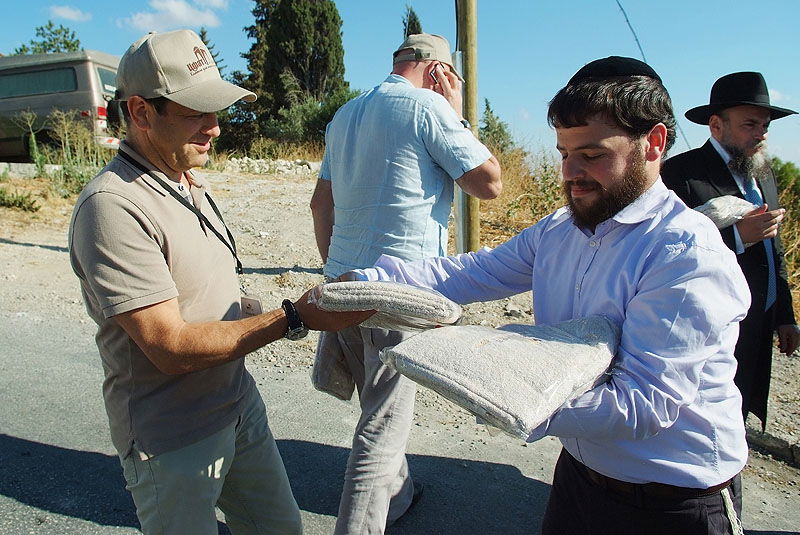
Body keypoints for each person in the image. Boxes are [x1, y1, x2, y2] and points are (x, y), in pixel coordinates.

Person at [349, 57, 750, 534]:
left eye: (593, 155)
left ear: (654, 143)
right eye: (564, 154)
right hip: (579, 480)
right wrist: (362, 282)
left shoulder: (684, 253)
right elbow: (473, 272)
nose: (572, 172)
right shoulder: (560, 230)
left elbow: (642, 404)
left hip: (673, 503)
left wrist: (503, 391)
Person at [68, 29, 368, 535]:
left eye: (217, 110)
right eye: (196, 112)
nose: (215, 128)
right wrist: (294, 316)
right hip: (173, 438)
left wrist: (275, 305)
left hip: (238, 408)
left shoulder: (187, 180)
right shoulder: (113, 207)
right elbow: (170, 347)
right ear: (141, 112)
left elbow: (203, 290)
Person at [310, 33, 501, 533]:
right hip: (398, 290)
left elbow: (320, 204)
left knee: (377, 405)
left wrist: (336, 271)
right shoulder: (429, 108)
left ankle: (398, 498)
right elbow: (489, 183)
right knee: (384, 426)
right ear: (439, 71)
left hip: (345, 283)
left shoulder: (345, 114)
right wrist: (456, 111)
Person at [662, 72, 800, 428]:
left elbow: (775, 250)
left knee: (737, 416)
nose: (761, 134)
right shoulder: (681, 174)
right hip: (707, 330)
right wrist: (736, 237)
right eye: (750, 124)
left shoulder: (763, 174)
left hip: (756, 324)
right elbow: (665, 252)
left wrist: (784, 315)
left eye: (765, 126)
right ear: (716, 125)